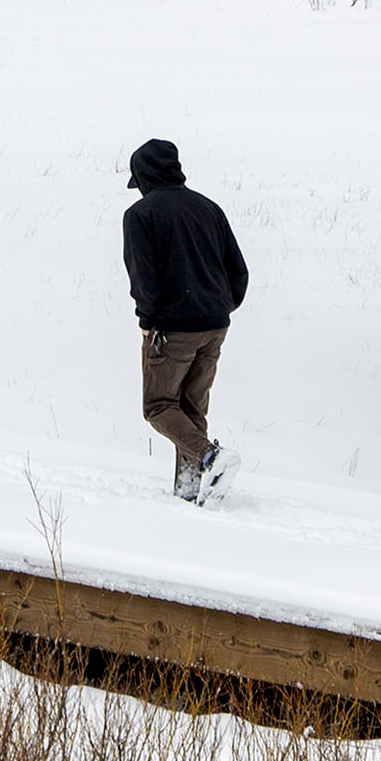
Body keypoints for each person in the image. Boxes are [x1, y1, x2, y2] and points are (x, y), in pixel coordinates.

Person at [122, 139, 249, 504]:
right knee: (191, 410)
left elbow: (143, 277)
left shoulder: (140, 215)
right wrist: (220, 306)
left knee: (159, 406)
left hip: (172, 329)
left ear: (143, 176)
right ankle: (188, 492)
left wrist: (148, 320)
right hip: (215, 325)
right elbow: (238, 271)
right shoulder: (209, 209)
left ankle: (212, 458)